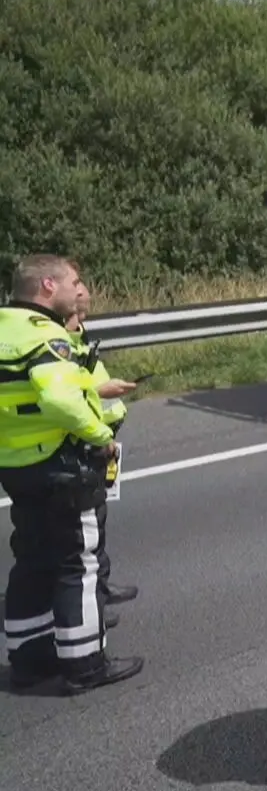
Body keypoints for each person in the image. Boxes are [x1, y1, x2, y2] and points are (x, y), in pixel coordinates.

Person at [1, 255, 142, 693]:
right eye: (73, 281)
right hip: (58, 464)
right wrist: (100, 435)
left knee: (32, 560)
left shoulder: (6, 328)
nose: (79, 288)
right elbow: (58, 399)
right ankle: (85, 664)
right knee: (77, 564)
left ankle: (28, 658)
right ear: (47, 285)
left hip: (15, 464)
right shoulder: (45, 336)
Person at [63, 288, 139, 625]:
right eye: (76, 284)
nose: (86, 292)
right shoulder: (58, 339)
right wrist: (99, 393)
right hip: (87, 439)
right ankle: (87, 603)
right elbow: (66, 394)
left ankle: (99, 588)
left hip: (102, 437)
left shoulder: (79, 332)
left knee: (97, 521)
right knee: (80, 533)